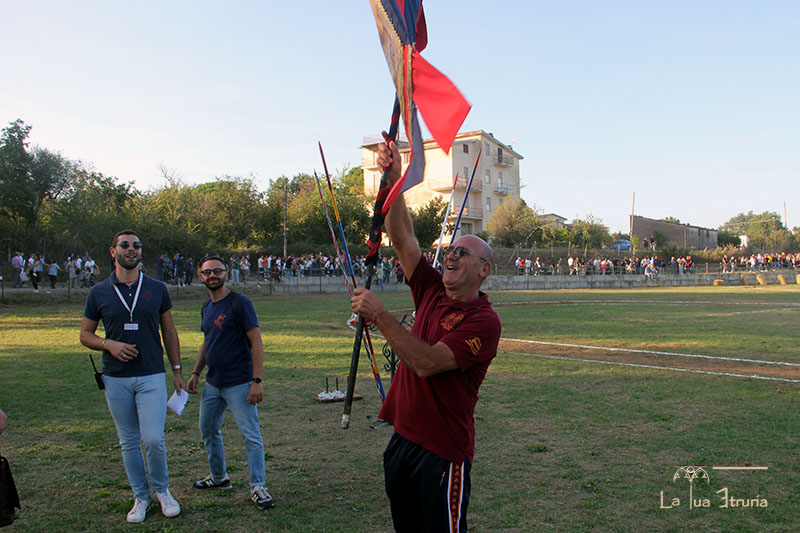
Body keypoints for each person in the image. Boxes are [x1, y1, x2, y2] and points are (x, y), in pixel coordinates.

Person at [350, 139, 501, 532]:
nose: (451, 255)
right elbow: (402, 239)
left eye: (463, 253)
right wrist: (395, 180)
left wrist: (379, 314)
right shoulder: (432, 288)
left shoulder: (483, 321)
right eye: (450, 249)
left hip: (442, 453)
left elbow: (427, 362)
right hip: (402, 440)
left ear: (484, 270)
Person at [79, 230, 185, 524]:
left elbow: (170, 331)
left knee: (152, 438)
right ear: (112, 251)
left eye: (136, 246)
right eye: (125, 245)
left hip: (151, 374)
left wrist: (177, 371)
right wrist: (108, 344)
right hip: (115, 378)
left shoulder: (156, 288)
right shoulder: (98, 292)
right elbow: (85, 335)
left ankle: (163, 491)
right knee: (128, 441)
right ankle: (141, 496)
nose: (131, 249)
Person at [186, 256, 276, 510]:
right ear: (200, 276)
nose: (212, 275)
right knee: (208, 430)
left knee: (251, 435)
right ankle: (219, 477)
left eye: (217, 271)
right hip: (213, 383)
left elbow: (256, 342)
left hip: (239, 383)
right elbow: (208, 341)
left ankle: (258, 486)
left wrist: (256, 380)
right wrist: (195, 373)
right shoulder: (206, 306)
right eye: (207, 272)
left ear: (226, 274)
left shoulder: (240, 302)